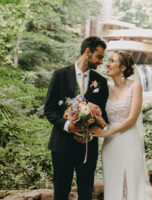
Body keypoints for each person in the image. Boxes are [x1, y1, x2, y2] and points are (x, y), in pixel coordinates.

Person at [44, 36, 109, 200]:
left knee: (86, 194)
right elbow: (49, 109)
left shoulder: (101, 82)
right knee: (60, 192)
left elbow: (104, 114)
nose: (101, 61)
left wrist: (95, 125)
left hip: (88, 148)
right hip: (61, 146)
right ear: (88, 52)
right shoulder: (59, 75)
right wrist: (68, 126)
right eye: (99, 56)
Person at [90, 51, 152, 200]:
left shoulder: (135, 86)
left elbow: (132, 119)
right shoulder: (105, 88)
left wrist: (106, 133)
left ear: (123, 67)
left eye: (112, 61)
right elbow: (101, 112)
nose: (107, 64)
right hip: (110, 145)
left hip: (129, 141)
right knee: (113, 184)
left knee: (131, 183)